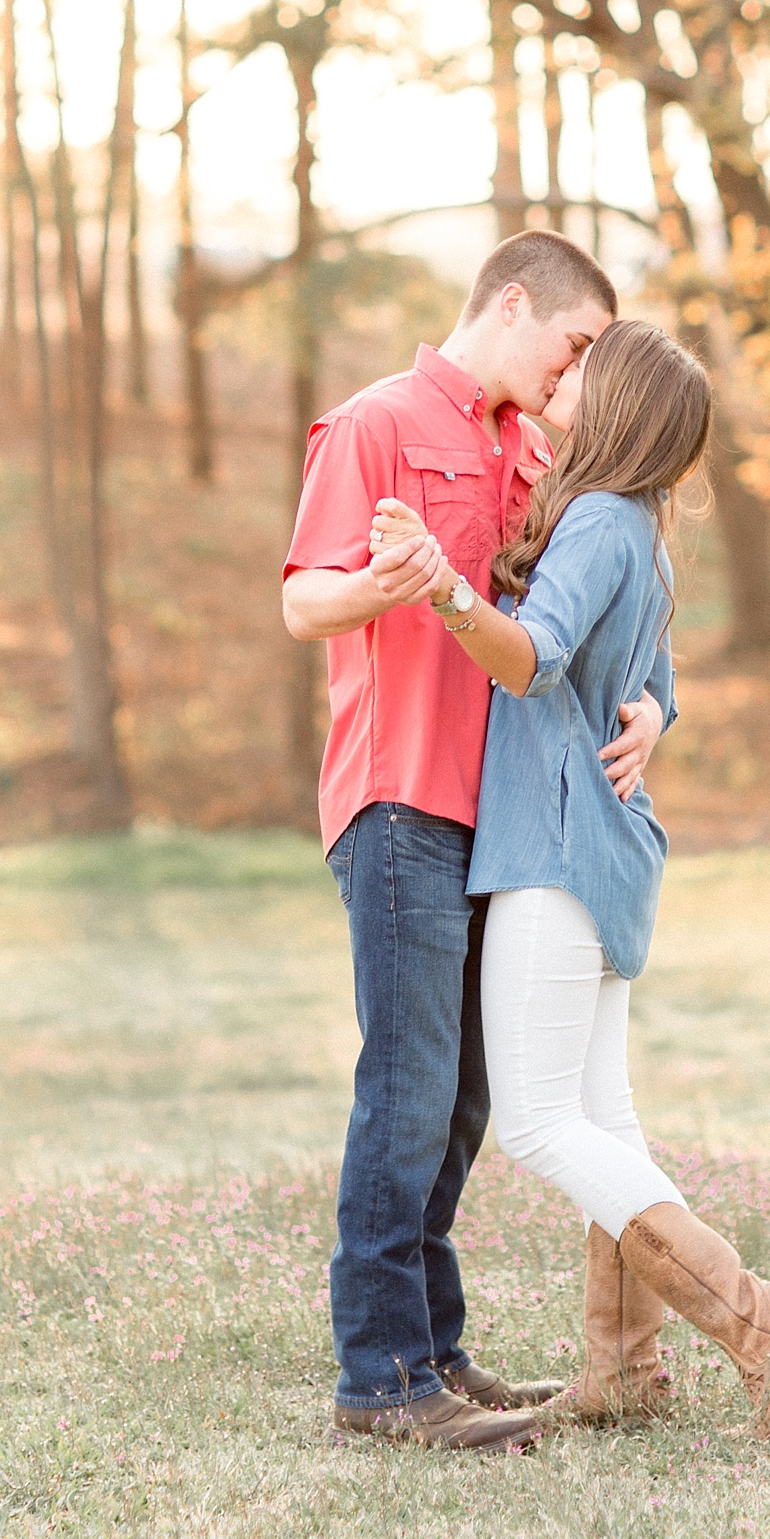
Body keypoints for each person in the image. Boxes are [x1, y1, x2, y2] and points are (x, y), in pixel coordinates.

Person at [373, 319, 770, 1442]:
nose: (561, 378)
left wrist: (443, 591)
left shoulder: (593, 523)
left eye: (583, 370)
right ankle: (624, 1372)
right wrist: (653, 717)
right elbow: (656, 686)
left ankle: (755, 1317)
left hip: (557, 849)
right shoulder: (649, 538)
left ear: (614, 404)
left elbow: (530, 660)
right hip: (616, 850)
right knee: (601, 1117)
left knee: (534, 1120)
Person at [281, 231, 666, 1452]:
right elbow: (303, 600)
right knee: (406, 1089)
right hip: (402, 802)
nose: (576, 373)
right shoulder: (376, 425)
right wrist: (407, 578)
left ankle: (433, 1351)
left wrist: (654, 703)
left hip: (507, 826)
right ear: (513, 305)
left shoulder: (534, 453)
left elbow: (582, 621)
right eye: (574, 344)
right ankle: (381, 1384)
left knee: (463, 1100)